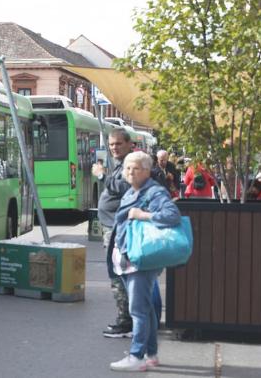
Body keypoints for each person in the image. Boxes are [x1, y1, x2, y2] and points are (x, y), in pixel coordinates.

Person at [109, 151, 182, 372]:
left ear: (148, 171)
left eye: (136, 168)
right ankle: (151, 353)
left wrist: (143, 215)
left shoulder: (154, 191)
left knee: (138, 309)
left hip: (140, 259)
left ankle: (136, 356)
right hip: (132, 257)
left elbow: (172, 215)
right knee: (147, 308)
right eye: (127, 168)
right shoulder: (135, 190)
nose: (130, 171)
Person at [92, 128, 133, 338]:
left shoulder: (130, 164)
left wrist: (102, 176)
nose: (114, 148)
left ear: (128, 144)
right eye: (111, 145)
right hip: (113, 226)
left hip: (118, 228)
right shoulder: (121, 164)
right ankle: (127, 318)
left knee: (118, 273)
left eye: (118, 144)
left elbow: (126, 187)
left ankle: (125, 321)